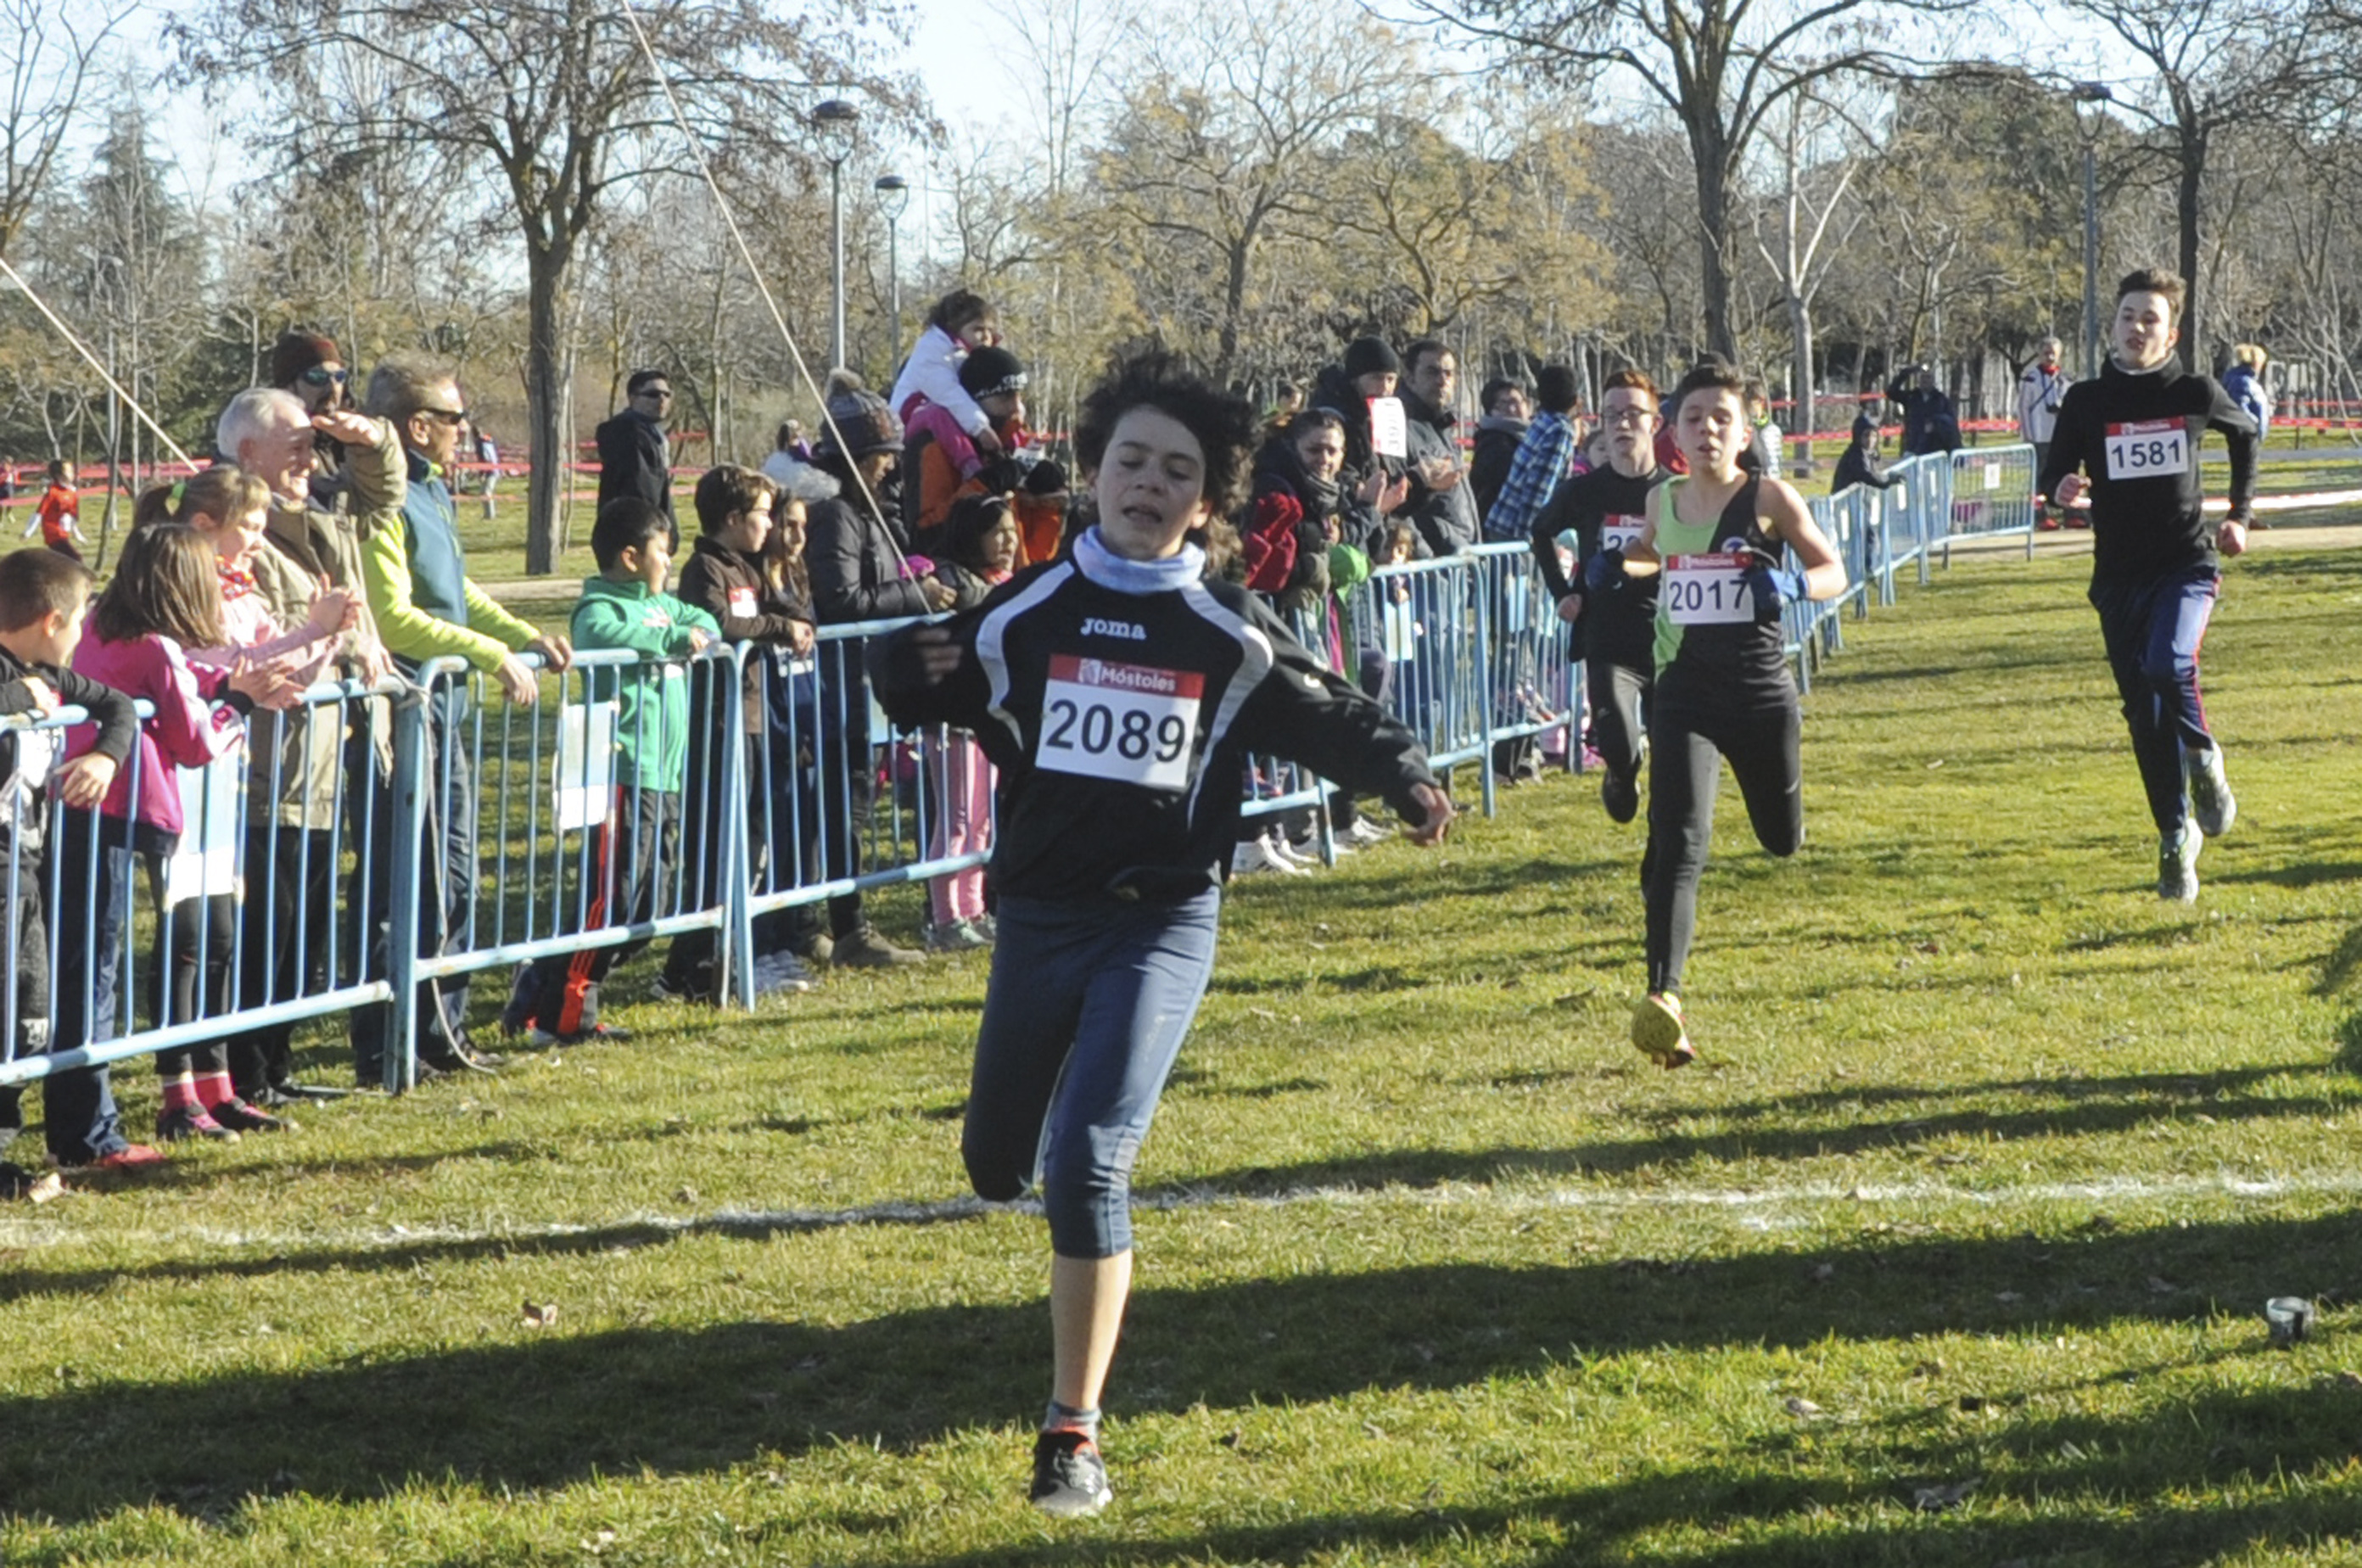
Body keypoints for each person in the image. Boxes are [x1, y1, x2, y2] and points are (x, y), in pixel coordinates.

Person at [869, 350, 1454, 1519]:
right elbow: (926, 682)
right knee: (997, 1167)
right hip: (1040, 921)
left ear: (1207, 499)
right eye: (1130, 461)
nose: (1148, 482)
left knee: (1089, 1164)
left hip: (1162, 924)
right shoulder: (1024, 615)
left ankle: (1070, 1433)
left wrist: (1404, 774)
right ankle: (1042, 1147)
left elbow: (1328, 711)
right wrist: (902, 659)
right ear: (1095, 473)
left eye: (1176, 471)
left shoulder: (1225, 628)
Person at [1603, 358, 1845, 1068]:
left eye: (1721, 418)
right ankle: (1664, 998)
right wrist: (1616, 567)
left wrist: (1793, 586)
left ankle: (1785, 821)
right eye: (1693, 417)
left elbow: (1833, 570)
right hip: (1685, 692)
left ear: (1743, 433)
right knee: (1679, 840)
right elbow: (1651, 553)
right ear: (1674, 432)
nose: (1707, 429)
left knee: (1780, 839)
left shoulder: (1769, 498)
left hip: (1760, 694)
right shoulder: (1663, 500)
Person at [362, 355, 574, 1078]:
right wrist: (490, 654)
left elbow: (456, 592)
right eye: (456, 419)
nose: (466, 430)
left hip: (444, 713)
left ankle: (444, 1033)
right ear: (419, 427)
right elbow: (394, 617)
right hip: (403, 716)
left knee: (454, 878)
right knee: (408, 883)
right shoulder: (382, 500)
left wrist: (521, 635)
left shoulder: (432, 491)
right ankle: (391, 1044)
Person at [63, 518, 308, 1142]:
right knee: (182, 944)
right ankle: (172, 1099)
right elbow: (197, 741)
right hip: (141, 809)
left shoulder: (104, 630)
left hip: (133, 808)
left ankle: (214, 1086)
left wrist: (231, 685)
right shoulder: (152, 646)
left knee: (211, 935)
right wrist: (241, 703)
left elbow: (188, 682)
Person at [2039, 268, 2258, 903]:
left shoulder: (2193, 391)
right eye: (2128, 316)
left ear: (2171, 334)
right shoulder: (2086, 401)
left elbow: (2246, 434)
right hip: (2118, 578)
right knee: (2144, 715)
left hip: (2185, 564)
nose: (2137, 328)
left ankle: (2205, 759)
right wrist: (2060, 488)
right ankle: (2174, 836)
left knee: (2170, 663)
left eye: (2150, 319)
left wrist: (2239, 515)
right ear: (2112, 325)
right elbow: (2055, 471)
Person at [215, 385, 397, 1106]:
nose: (310, 459)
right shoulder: (234, 541)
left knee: (305, 926)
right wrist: (345, 637)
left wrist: (373, 440)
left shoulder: (320, 517)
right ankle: (246, 1073)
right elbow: (268, 639)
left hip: (318, 764)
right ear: (248, 452)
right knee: (268, 922)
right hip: (264, 767)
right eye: (295, 445)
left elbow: (381, 495)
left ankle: (277, 1067)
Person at [507, 498, 717, 1045]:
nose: (668, 562)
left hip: (665, 773)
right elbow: (603, 636)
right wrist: (670, 639)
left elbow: (706, 622)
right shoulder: (599, 608)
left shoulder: (664, 605)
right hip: (622, 769)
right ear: (630, 557)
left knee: (650, 906)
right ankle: (563, 1018)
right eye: (661, 552)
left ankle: (539, 982)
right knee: (611, 899)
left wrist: (688, 629)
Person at [0, 548, 152, 1177]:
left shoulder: (50, 673)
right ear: (52, 620)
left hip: (25, 870)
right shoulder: (19, 676)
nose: (84, 633)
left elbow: (119, 707)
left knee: (24, 1015)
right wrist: (15, 695)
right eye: (81, 619)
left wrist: (105, 758)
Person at [803, 372, 949, 967]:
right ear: (858, 460)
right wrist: (917, 595)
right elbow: (842, 601)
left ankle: (833, 921)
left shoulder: (867, 513)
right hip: (838, 687)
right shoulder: (835, 515)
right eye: (883, 458)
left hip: (864, 685)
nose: (890, 468)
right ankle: (845, 927)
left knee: (855, 805)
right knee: (842, 808)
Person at [663, 462, 820, 1001]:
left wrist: (796, 620)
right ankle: (702, 963)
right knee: (721, 846)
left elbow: (775, 608)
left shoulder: (746, 568)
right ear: (732, 519)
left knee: (752, 840)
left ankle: (715, 961)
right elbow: (720, 623)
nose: (770, 524)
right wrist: (779, 628)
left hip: (753, 719)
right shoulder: (706, 569)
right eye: (763, 515)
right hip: (721, 722)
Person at [1530, 369, 1666, 827]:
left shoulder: (1673, 491)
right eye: (1611, 415)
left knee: (1673, 754)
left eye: (1633, 414)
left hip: (1667, 637)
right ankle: (1622, 775)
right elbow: (1541, 531)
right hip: (1606, 637)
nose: (1622, 424)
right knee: (1619, 743)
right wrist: (1563, 592)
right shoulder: (1585, 491)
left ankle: (1669, 833)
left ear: (1655, 423)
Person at [921, 494, 1021, 949]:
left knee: (982, 821)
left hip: (988, 717)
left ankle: (974, 908)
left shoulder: (1006, 582)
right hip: (952, 722)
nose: (1008, 542)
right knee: (956, 819)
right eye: (997, 532)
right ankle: (945, 917)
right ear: (972, 535)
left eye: (1012, 532)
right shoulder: (951, 578)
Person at [887, 288, 1006, 459]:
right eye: (978, 329)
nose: (986, 337)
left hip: (951, 413)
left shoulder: (970, 355)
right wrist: (980, 428)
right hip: (908, 419)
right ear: (955, 328)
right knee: (938, 415)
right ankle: (971, 465)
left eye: (990, 330)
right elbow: (949, 393)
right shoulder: (932, 352)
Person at [1396, 339, 1480, 557]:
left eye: (1448, 374)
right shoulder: (1401, 428)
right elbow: (1400, 506)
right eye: (1432, 372)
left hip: (1462, 558)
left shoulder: (1443, 429)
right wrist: (1427, 557)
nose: (1442, 381)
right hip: (1435, 564)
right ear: (1410, 378)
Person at [1485, 364, 1583, 544]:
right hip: (1516, 533)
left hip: (1502, 521)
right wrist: (1533, 540)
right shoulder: (1559, 430)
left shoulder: (1540, 422)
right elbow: (1539, 490)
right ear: (1575, 400)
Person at [596, 370, 678, 545]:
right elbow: (641, 491)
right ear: (633, 398)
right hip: (636, 536)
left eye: (667, 395)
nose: (661, 400)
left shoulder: (652, 434)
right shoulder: (628, 433)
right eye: (653, 394)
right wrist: (651, 536)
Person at [1469, 376, 1531, 529]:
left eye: (1516, 402)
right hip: (1500, 528)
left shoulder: (1530, 439)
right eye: (1503, 404)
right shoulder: (1494, 444)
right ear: (1490, 411)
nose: (1511, 410)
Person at [1886, 365, 1962, 456]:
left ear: (1933, 380)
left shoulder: (1941, 400)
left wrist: (1936, 424)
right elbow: (1891, 392)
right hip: (1913, 447)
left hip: (1934, 450)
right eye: (1922, 377)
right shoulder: (1912, 397)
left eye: (1928, 377)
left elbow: (1951, 423)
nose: (1925, 380)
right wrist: (1905, 373)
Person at [1830, 413, 1905, 496]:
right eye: (1866, 435)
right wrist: (1888, 479)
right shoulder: (1855, 455)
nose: (1870, 440)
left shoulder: (1872, 453)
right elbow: (1867, 475)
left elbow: (1875, 473)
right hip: (1845, 501)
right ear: (1858, 436)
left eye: (1874, 436)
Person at [25, 462, 82, 562]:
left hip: (64, 533)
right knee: (75, 559)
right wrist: (28, 532)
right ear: (59, 475)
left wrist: (77, 533)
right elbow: (39, 512)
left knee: (64, 560)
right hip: (54, 533)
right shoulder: (53, 492)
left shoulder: (72, 492)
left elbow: (72, 515)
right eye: (69, 471)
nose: (72, 474)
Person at [2223, 344, 2272, 444]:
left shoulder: (2249, 381)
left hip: (2250, 435)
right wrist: (2255, 426)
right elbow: (2241, 409)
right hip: (2247, 435)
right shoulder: (2242, 382)